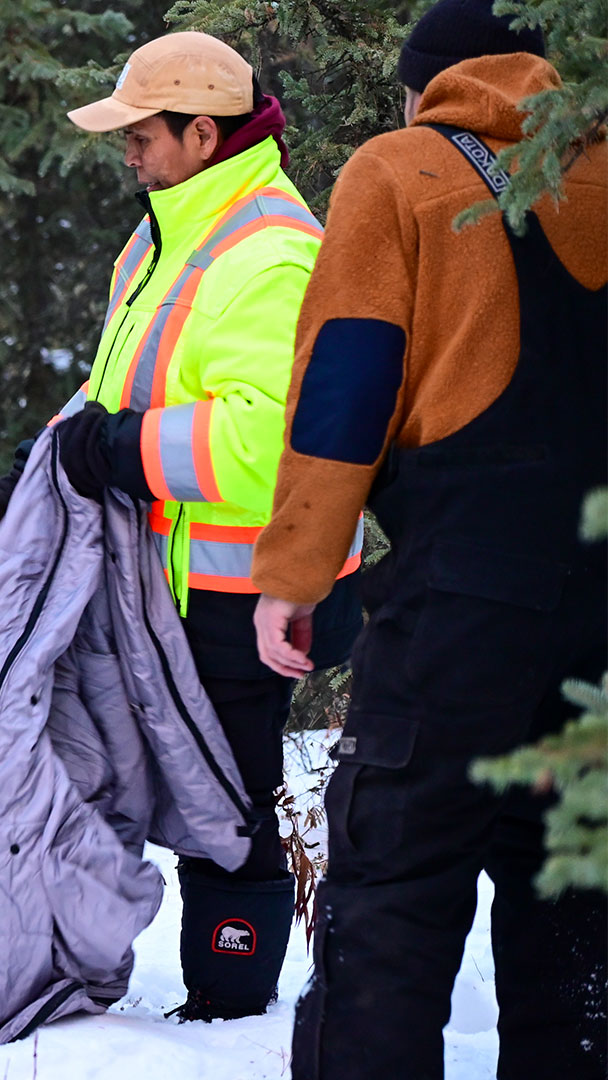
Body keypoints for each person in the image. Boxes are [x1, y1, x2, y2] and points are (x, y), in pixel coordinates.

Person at [0, 31, 361, 1020]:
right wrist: (43, 460)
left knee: (223, 808)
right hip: (163, 590)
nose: (125, 151)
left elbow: (267, 445)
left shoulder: (270, 251)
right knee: (136, 783)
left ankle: (226, 1013)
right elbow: (115, 387)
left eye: (139, 134)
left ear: (199, 132)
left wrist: (116, 454)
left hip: (241, 596)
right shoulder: (160, 237)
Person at [247, 1, 606, 1073]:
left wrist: (296, 572)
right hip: (601, 627)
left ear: (427, 85)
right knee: (578, 923)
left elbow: (346, 384)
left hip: (461, 609)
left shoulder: (399, 170)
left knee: (394, 907)